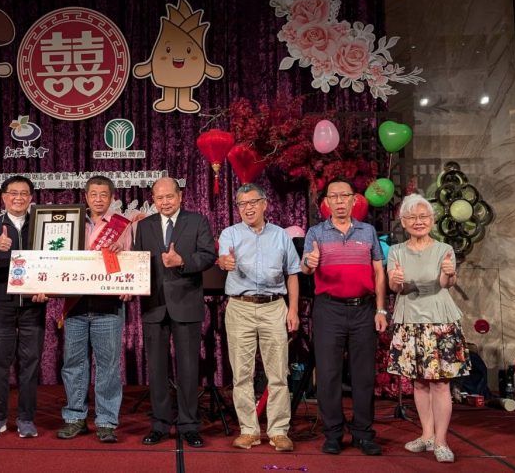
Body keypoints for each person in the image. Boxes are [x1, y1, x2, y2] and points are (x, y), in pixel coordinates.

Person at [301, 176, 387, 456]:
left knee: (364, 375)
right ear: (326, 202)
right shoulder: (316, 233)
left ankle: (363, 434)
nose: (339, 201)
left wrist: (381, 309)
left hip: (364, 309)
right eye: (333, 197)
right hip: (329, 309)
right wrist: (310, 262)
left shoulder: (368, 232)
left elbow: (379, 272)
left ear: (354, 200)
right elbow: (306, 266)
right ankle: (333, 433)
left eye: (344, 196)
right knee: (328, 375)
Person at [386, 194, 470, 464]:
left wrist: (449, 273)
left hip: (440, 322)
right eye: (412, 217)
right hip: (410, 321)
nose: (418, 221)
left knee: (441, 383)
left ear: (432, 220)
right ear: (403, 222)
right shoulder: (396, 251)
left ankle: (441, 441)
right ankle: (426, 435)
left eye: (423, 216)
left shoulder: (444, 249)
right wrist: (397, 281)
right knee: (419, 382)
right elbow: (395, 287)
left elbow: (446, 284)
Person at [217, 183, 300, 452]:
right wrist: (225, 263)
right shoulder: (230, 233)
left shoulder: (280, 235)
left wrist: (293, 310)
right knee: (242, 374)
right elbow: (223, 259)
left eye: (253, 202)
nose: (248, 207)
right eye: (242, 204)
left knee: (278, 373)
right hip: (240, 307)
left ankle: (278, 431)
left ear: (265, 204)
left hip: (274, 307)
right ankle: (249, 430)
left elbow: (293, 274)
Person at [134, 177, 217, 448]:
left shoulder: (197, 221)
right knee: (157, 369)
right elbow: (137, 260)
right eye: (159, 198)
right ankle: (159, 425)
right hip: (154, 306)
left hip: (186, 303)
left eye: (169, 196)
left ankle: (189, 425)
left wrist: (182, 261)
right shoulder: (144, 225)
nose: (165, 202)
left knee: (188, 369)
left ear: (180, 196)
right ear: (153, 200)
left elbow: (208, 255)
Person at [57, 175, 133, 444]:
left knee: (108, 366)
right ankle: (75, 418)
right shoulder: (72, 223)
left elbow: (132, 263)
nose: (98, 199)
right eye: (93, 194)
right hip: (76, 304)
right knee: (74, 364)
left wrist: (121, 258)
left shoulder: (122, 226)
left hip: (108, 306)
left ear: (112, 197)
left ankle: (106, 421)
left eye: (104, 194)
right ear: (86, 196)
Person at [0, 176, 49, 439]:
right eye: (13, 193)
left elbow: (52, 261)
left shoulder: (42, 224)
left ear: (31, 197)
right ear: (4, 197)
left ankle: (26, 418)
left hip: (34, 303)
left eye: (24, 193)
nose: (18, 197)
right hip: (2, 303)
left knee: (30, 362)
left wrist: (47, 288)